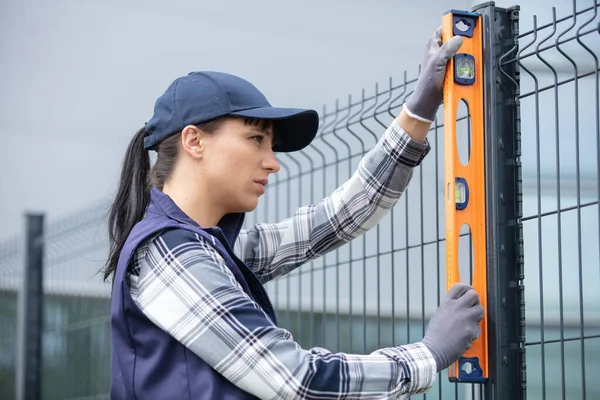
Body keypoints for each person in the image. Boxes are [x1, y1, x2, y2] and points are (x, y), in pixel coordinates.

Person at [104, 26, 484, 399]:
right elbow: (296, 380)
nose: (273, 162)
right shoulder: (173, 253)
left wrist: (418, 110)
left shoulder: (210, 248)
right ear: (194, 141)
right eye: (256, 139)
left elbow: (339, 217)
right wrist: (428, 354)